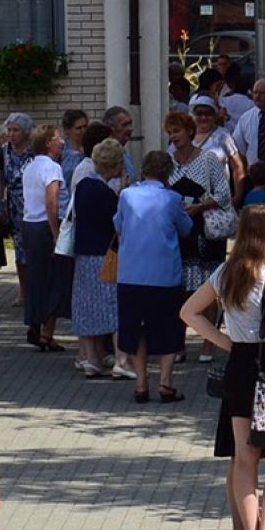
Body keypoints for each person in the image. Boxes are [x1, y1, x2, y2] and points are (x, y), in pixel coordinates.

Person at [180, 205, 265, 530]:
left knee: (244, 458)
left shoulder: (226, 271)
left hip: (238, 366)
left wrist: (226, 342)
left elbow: (188, 312)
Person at [114, 150, 194, 402]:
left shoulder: (126, 195)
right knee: (169, 328)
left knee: (136, 329)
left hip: (131, 274)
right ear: (168, 173)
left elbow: (118, 225)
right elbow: (186, 228)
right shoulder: (172, 199)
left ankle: (141, 384)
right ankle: (165, 383)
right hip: (164, 276)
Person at [165, 109, 236, 297]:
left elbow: (224, 195)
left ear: (189, 131)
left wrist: (200, 206)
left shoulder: (208, 158)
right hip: (181, 231)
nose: (173, 136)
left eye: (177, 131)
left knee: (208, 289)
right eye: (170, 132)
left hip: (206, 230)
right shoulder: (169, 162)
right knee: (183, 288)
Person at [70, 138, 125, 377]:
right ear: (114, 165)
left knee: (86, 307)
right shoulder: (106, 193)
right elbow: (117, 223)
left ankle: (91, 359)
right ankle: (121, 360)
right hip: (105, 255)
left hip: (82, 254)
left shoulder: (83, 186)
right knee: (112, 307)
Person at [18, 124, 68, 351]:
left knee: (36, 277)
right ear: (48, 142)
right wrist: (56, 233)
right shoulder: (52, 168)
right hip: (45, 226)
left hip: (29, 225)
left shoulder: (29, 166)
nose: (62, 142)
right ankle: (46, 332)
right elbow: (51, 202)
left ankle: (36, 324)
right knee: (54, 279)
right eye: (58, 138)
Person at [0, 113, 35, 307]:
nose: (11, 134)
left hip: (34, 205)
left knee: (35, 249)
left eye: (16, 130)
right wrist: (0, 202)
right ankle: (23, 292)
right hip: (15, 208)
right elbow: (1, 179)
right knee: (20, 251)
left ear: (26, 132)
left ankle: (38, 290)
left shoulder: (35, 151)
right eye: (9, 130)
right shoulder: (5, 151)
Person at [192, 94, 246, 186]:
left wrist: (238, 193)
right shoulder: (186, 135)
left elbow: (237, 167)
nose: (203, 117)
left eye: (208, 113)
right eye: (199, 113)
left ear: (214, 115)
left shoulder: (223, 135)